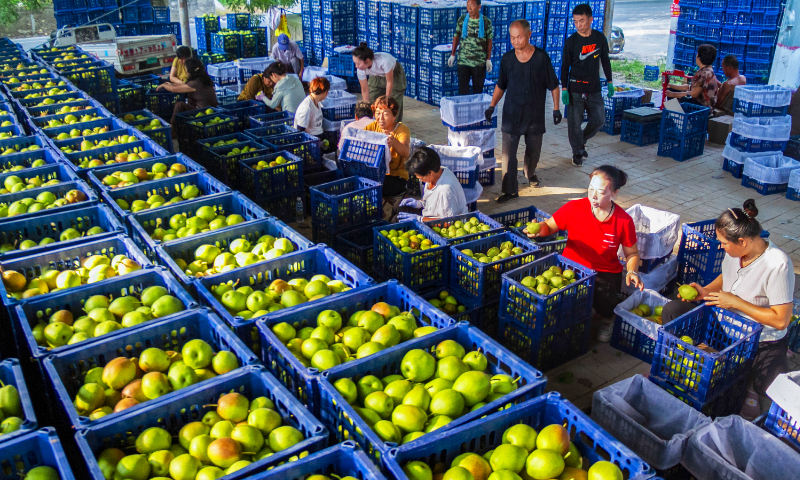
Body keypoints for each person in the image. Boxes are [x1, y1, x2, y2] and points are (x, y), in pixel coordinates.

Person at [660, 200, 794, 415]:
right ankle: (694, 362)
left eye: (723, 243)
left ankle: (751, 384)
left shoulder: (777, 265)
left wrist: (736, 302)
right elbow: (727, 276)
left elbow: (780, 320)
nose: (720, 246)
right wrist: (705, 291)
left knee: (772, 384)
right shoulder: (735, 253)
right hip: (725, 325)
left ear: (741, 241)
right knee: (673, 311)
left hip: (760, 340)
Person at [526, 165, 642, 341]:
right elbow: (549, 226)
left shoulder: (623, 221)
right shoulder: (574, 208)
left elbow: (632, 253)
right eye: (591, 189)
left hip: (604, 273)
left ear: (615, 193)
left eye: (601, 192)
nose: (593, 196)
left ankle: (607, 318)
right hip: (570, 269)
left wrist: (632, 271)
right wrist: (538, 230)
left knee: (605, 303)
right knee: (564, 305)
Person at [484, 20, 561, 202]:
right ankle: (510, 190)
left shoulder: (541, 57)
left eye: (519, 37)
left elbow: (554, 86)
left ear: (529, 35)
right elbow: (500, 85)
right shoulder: (507, 59)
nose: (515, 41)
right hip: (512, 114)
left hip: (534, 115)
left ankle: (530, 171)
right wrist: (492, 106)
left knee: (533, 151)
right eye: (512, 37)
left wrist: (556, 109)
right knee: (508, 155)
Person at [562, 3, 614, 167]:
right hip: (575, 89)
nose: (578, 25)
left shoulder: (599, 38)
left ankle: (581, 140)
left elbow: (605, 60)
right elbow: (564, 66)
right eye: (575, 21)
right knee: (574, 124)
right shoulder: (571, 42)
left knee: (599, 120)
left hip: (594, 89)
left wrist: (610, 82)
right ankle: (577, 153)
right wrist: (564, 88)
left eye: (582, 21)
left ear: (590, 20)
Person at [396, 147, 468, 221]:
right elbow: (432, 199)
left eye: (419, 176)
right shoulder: (438, 171)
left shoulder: (445, 191)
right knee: (398, 205)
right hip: (429, 212)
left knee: (397, 220)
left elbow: (449, 222)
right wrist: (419, 203)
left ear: (430, 173)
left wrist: (420, 219)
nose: (418, 177)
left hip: (443, 224)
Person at [364, 96, 411, 197]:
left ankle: (379, 211)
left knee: (372, 187)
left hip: (396, 176)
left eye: (385, 114)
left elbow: (406, 153)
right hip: (375, 173)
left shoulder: (402, 130)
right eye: (377, 113)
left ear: (394, 116)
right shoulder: (371, 127)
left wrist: (394, 142)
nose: (380, 118)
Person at [352, 44, 408, 122]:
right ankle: (373, 123)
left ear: (367, 61)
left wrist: (387, 101)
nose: (356, 66)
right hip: (375, 75)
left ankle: (393, 127)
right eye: (355, 63)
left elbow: (389, 82)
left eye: (358, 63)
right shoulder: (360, 69)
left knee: (392, 104)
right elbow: (364, 89)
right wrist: (366, 107)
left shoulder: (384, 61)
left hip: (393, 74)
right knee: (371, 102)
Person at [449, 0, 493, 96]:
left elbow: (489, 41)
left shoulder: (486, 22)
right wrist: (452, 55)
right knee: (463, 91)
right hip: (463, 61)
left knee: (478, 91)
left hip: (479, 63)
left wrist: (488, 59)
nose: (469, 8)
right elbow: (456, 36)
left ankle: (476, 110)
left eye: (472, 5)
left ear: (479, 7)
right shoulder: (462, 20)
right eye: (468, 5)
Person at [158, 58, 218, 127]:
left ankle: (172, 129)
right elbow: (185, 85)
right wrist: (170, 84)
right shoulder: (202, 78)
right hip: (212, 109)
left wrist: (164, 85)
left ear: (190, 70)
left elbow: (174, 89)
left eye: (185, 68)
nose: (185, 70)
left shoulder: (195, 83)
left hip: (204, 112)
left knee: (179, 105)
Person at [666, 44, 719, 108]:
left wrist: (673, 94)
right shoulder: (706, 71)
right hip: (700, 103)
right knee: (670, 89)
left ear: (699, 57)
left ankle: (676, 115)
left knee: (683, 99)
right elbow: (690, 87)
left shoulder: (705, 73)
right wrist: (671, 86)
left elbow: (694, 94)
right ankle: (674, 113)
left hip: (703, 107)